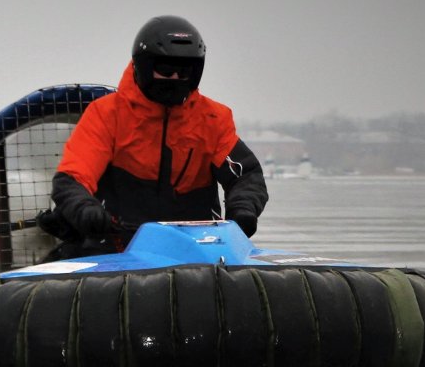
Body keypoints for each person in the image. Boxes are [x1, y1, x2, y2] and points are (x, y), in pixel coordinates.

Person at [43, 15, 268, 260]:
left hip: (198, 247)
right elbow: (72, 178)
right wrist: (85, 210)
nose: (174, 79)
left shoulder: (213, 119)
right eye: (165, 69)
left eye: (184, 72)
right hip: (116, 244)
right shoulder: (106, 114)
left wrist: (243, 210)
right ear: (144, 67)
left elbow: (246, 175)